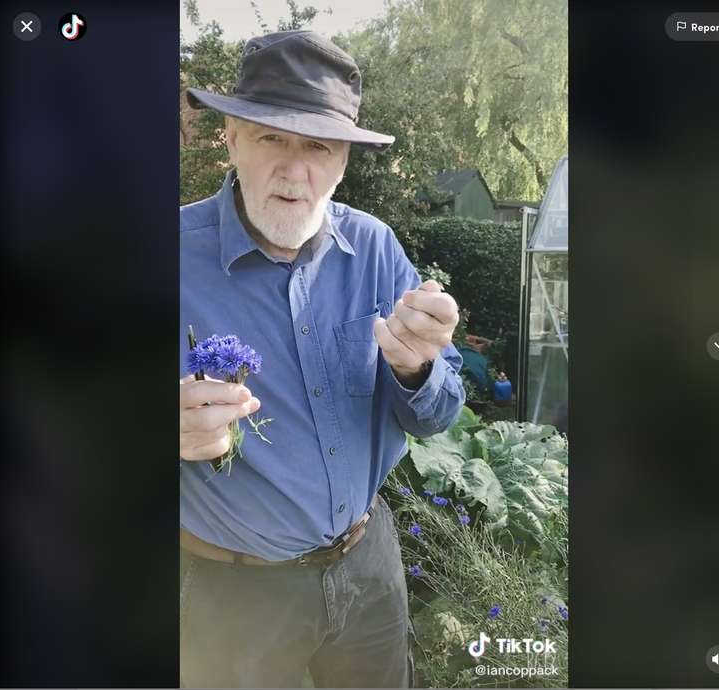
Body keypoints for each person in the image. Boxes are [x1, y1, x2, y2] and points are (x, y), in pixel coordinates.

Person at [179, 29, 465, 689]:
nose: (295, 168)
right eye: (271, 137)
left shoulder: (374, 248)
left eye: (319, 146)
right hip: (237, 595)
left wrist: (419, 369)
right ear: (230, 134)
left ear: (344, 161)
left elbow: (437, 415)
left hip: (368, 570)